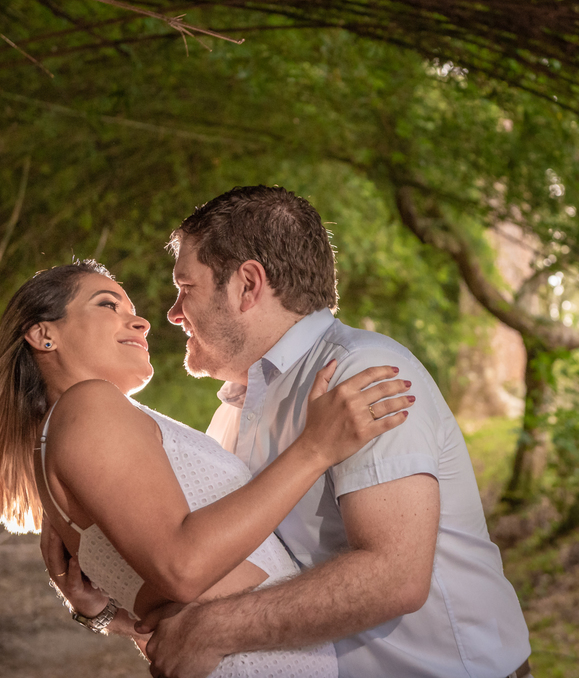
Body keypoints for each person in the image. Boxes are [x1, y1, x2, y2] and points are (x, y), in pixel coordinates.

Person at [118, 186, 532, 678]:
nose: (173, 313)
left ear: (247, 285)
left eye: (186, 288)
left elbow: (394, 577)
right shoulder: (233, 411)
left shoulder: (364, 372)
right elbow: (218, 568)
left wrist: (215, 630)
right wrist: (112, 601)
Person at [0, 260, 413, 677]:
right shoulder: (88, 407)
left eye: (130, 308)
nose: (141, 320)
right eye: (107, 304)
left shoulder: (69, 433)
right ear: (43, 335)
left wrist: (106, 617)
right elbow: (183, 569)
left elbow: (164, 610)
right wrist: (316, 447)